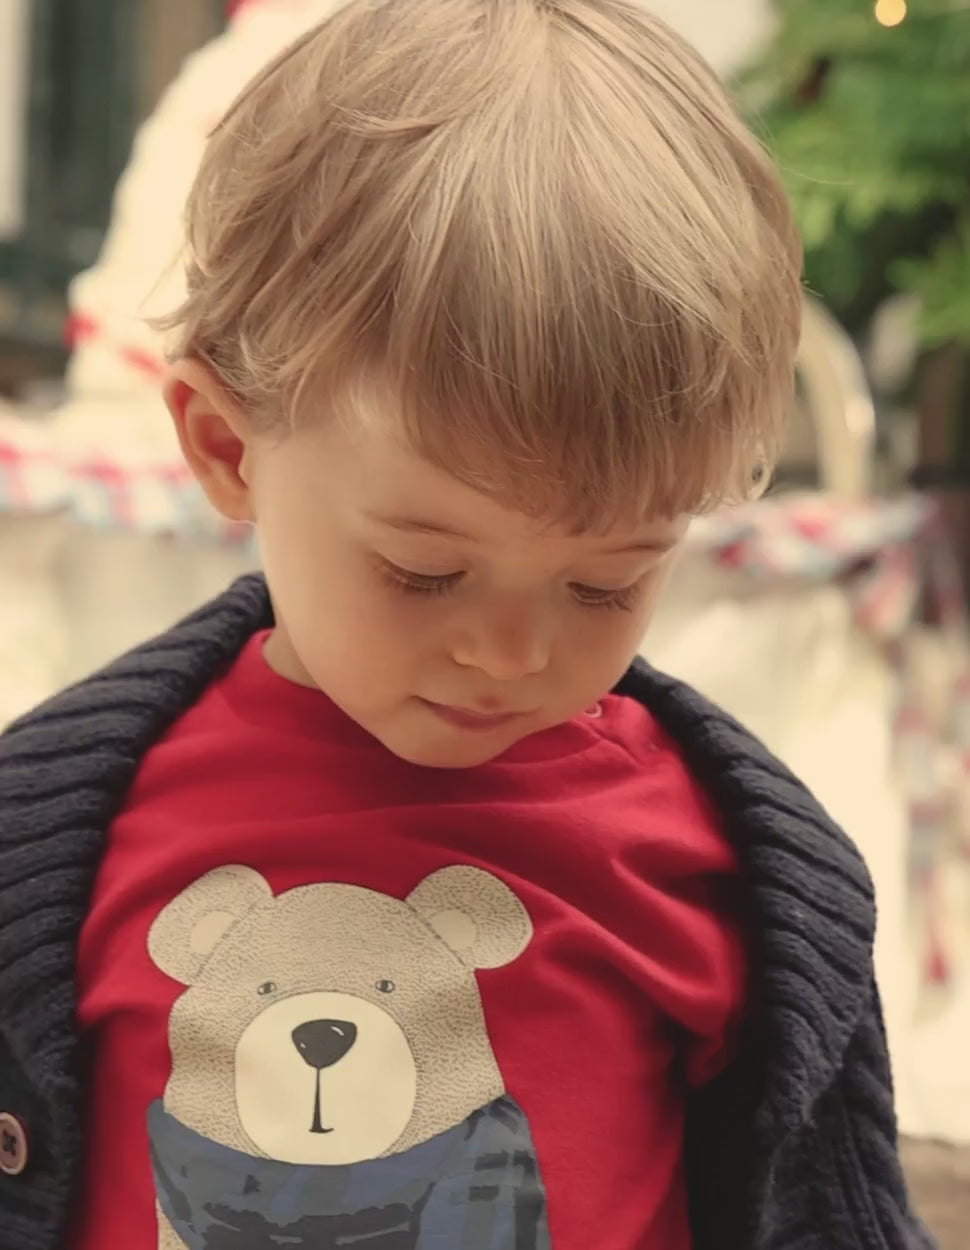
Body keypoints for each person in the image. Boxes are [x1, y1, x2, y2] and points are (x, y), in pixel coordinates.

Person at [0, 3, 931, 1249]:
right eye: (424, 571)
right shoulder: (57, 840)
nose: (511, 653)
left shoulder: (731, 872)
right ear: (227, 446)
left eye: (605, 581)